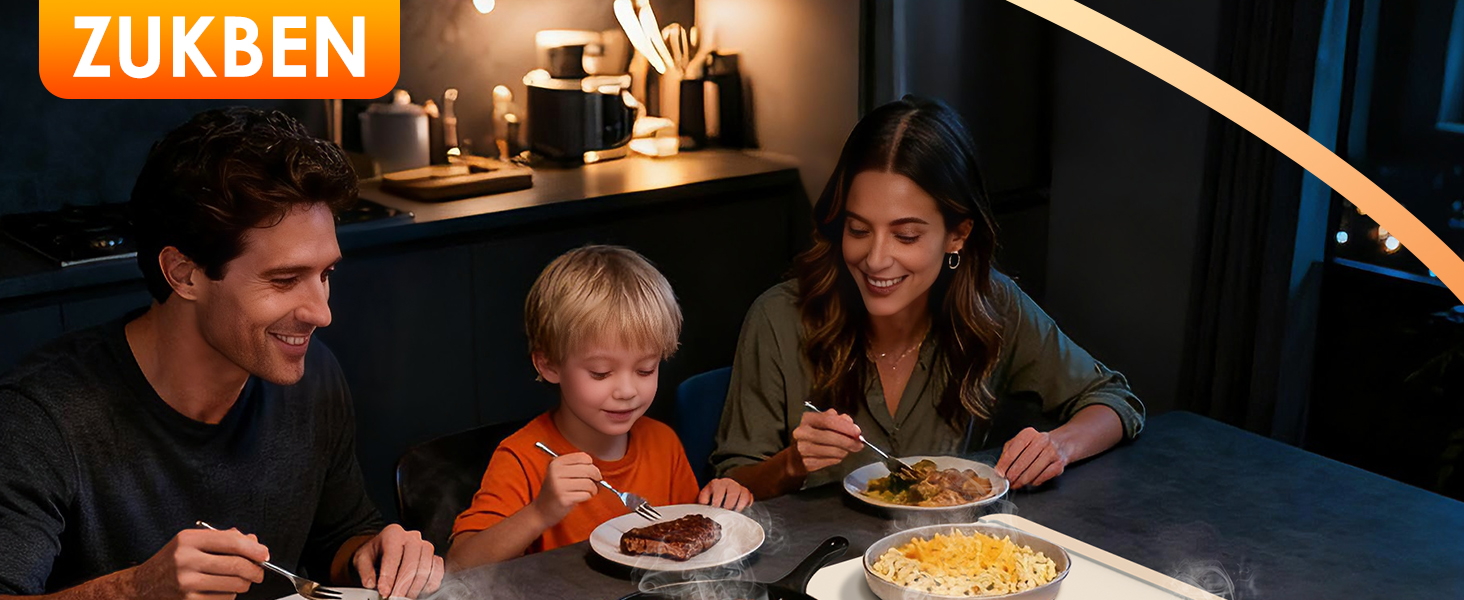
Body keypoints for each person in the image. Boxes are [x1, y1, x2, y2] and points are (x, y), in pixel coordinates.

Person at [0, 108, 442, 600]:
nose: (321, 314)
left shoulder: (312, 374)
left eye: (326, 276)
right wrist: (137, 590)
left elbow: (339, 535)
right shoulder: (40, 419)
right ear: (184, 274)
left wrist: (375, 553)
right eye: (283, 279)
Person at [711, 96, 1146, 500]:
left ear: (957, 234)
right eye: (858, 229)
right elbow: (731, 485)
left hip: (951, 566)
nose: (876, 259)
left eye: (906, 235)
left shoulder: (993, 305)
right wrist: (792, 464)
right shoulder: (778, 317)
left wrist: (1058, 446)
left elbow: (1113, 400)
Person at [447, 245, 754, 569]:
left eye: (645, 369)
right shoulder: (522, 457)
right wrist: (540, 511)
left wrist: (720, 503)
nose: (626, 391)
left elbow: (694, 549)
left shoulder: (662, 443)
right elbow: (458, 565)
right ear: (549, 365)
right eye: (601, 373)